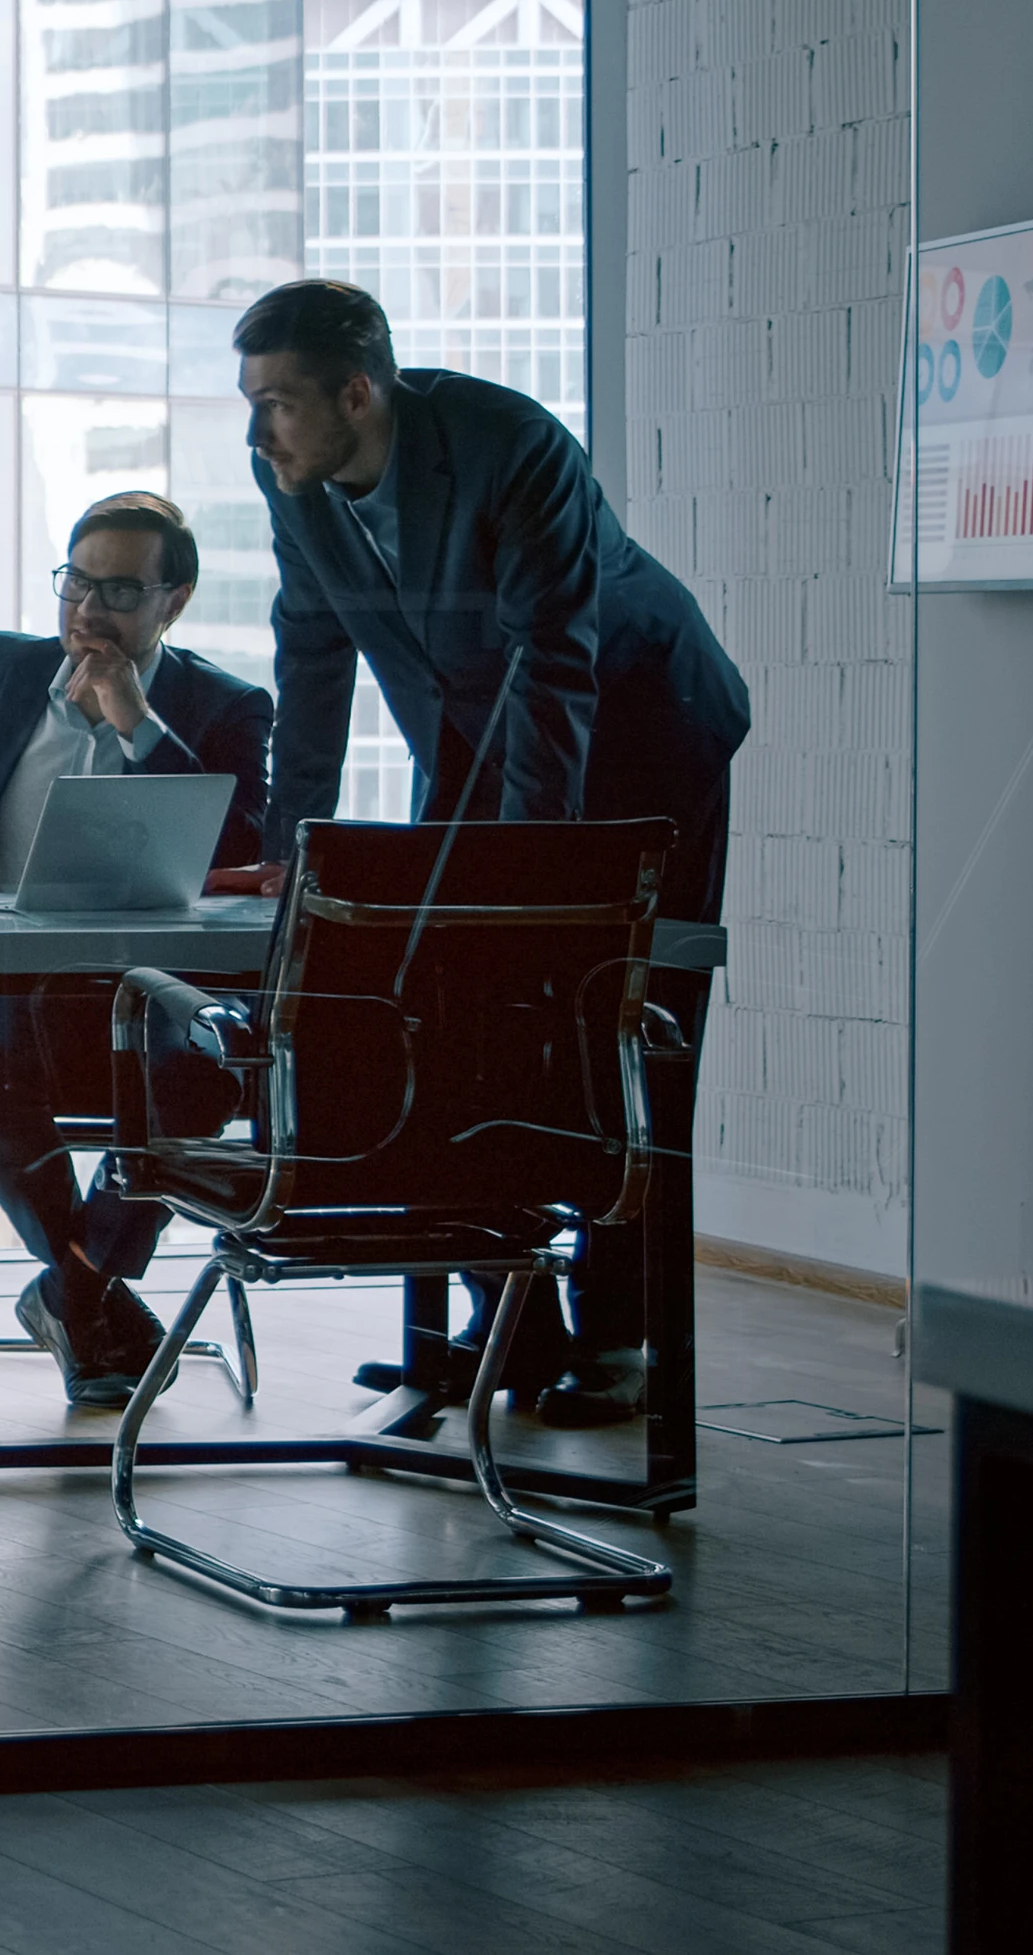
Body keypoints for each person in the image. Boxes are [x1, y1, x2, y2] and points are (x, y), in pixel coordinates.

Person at [236, 278, 749, 1426]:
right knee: (443, 1010)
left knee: (617, 1018)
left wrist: (530, 875)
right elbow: (309, 663)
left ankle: (620, 1341)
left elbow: (557, 660)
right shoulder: (292, 480)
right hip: (477, 729)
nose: (254, 427)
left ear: (356, 391)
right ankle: (509, 1319)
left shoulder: (509, 444)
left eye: (275, 401)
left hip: (641, 731)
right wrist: (291, 851)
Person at [0, 492, 273, 1406]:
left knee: (202, 1073)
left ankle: (73, 1290)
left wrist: (135, 724)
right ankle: (90, 1290)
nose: (87, 611)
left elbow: (239, 847)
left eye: (119, 591)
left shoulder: (226, 706)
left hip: (145, 988)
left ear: (174, 601)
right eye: (75, 582)